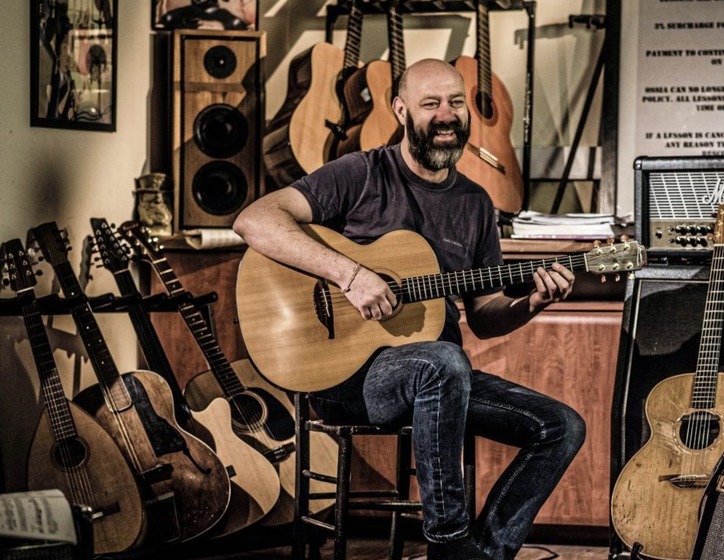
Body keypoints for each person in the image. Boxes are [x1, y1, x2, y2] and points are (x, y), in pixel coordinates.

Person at [233, 58, 586, 560]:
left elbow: (485, 315)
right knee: (444, 361)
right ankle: (447, 544)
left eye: (456, 102)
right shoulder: (361, 173)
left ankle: (485, 554)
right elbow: (254, 220)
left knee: (562, 427)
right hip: (348, 377)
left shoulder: (476, 203)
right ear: (400, 111)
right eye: (430, 104)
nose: (446, 115)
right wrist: (350, 274)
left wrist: (531, 302)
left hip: (441, 377)